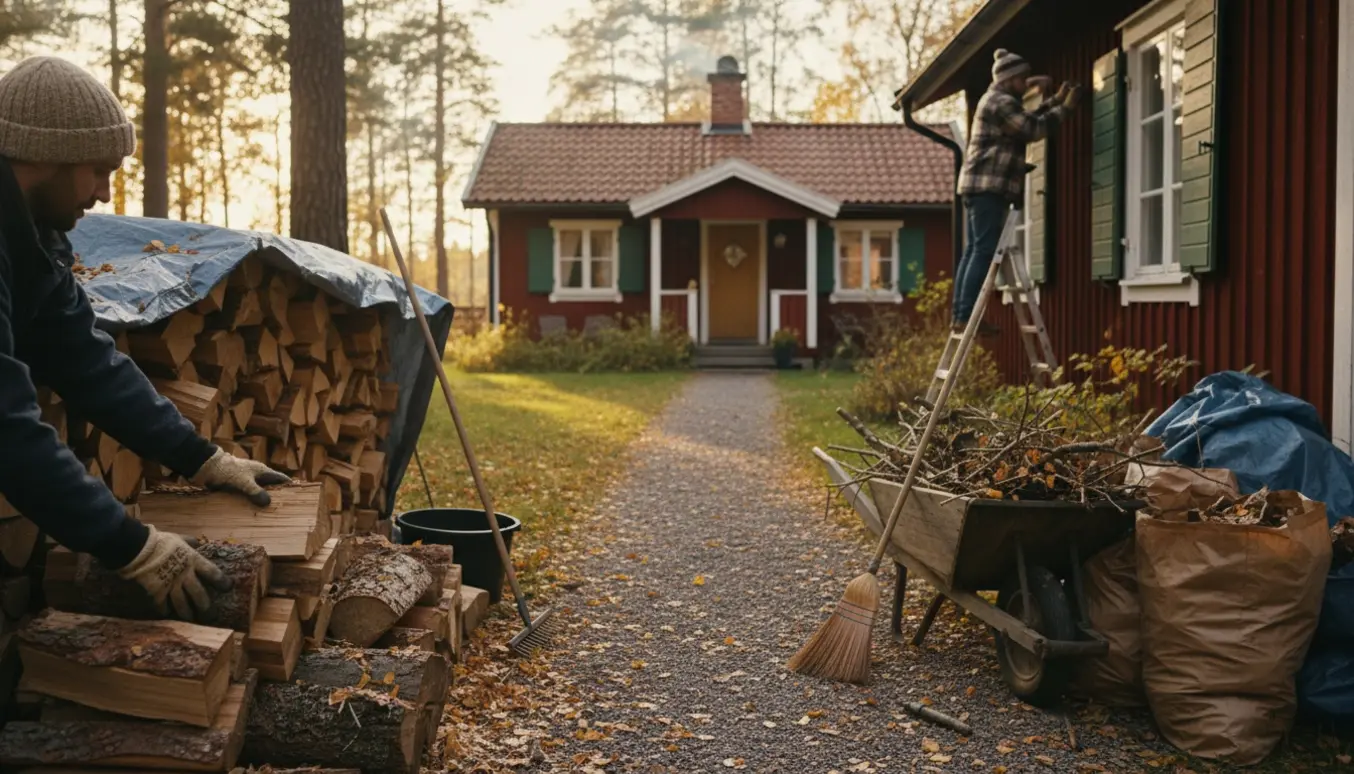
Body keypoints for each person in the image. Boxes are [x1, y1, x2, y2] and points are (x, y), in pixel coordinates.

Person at [0, 56, 291, 621]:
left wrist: (200, 458)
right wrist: (130, 546)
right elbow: (3, 427)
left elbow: (85, 361)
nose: (106, 195)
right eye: (98, 171)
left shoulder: (34, 237)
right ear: (44, 156)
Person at [953, 49, 1081, 334]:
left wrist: (1054, 100)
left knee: (974, 250)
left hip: (979, 185)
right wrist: (1066, 108)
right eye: (1022, 80)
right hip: (988, 186)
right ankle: (964, 316)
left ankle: (960, 314)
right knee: (983, 251)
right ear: (1010, 79)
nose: (1026, 85)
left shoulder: (998, 100)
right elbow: (1031, 128)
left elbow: (1023, 118)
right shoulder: (999, 102)